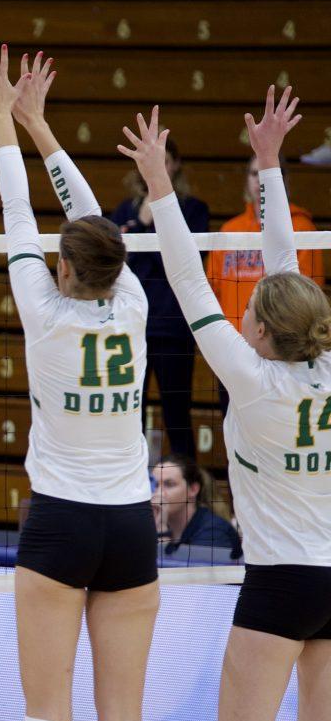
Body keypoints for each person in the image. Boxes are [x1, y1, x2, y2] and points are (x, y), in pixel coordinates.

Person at [118, 85, 331, 721]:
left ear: (259, 332)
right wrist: (272, 171)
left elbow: (189, 277)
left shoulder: (248, 378)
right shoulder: (323, 368)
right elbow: (287, 278)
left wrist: (160, 186)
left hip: (279, 583)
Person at [0, 47, 159, 721]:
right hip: (131, 526)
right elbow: (89, 226)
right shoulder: (128, 300)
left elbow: (25, 211)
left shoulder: (43, 311)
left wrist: (3, 121)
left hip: (57, 526)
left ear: (60, 266)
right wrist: (43, 126)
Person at [111, 138, 210, 458]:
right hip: (132, 329)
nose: (157, 167)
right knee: (128, 415)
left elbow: (180, 264)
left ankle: (188, 492)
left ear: (175, 164)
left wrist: (139, 230)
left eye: (164, 160)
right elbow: (117, 264)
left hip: (173, 330)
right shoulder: (123, 211)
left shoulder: (194, 210)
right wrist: (142, 227)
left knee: (177, 416)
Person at [207, 155, 323, 414]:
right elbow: (212, 290)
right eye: (252, 173)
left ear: (284, 181)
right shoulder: (229, 230)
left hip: (280, 354)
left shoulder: (303, 228)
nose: (259, 180)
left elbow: (308, 295)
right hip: (235, 351)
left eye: (265, 173)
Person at [151, 454, 242, 560]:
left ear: (193, 490)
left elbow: (180, 573)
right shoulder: (148, 524)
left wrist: (161, 530)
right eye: (155, 485)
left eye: (169, 484)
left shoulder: (213, 531)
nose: (159, 493)